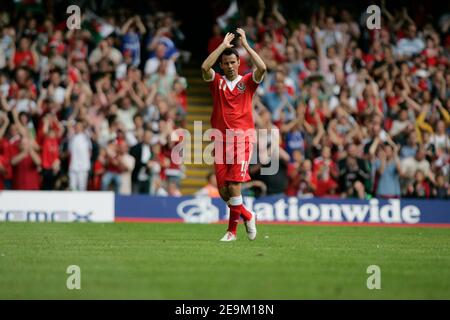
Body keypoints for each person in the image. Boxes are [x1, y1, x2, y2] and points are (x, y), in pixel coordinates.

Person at [201, 29, 266, 241]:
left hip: (242, 140)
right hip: (220, 141)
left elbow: (263, 67)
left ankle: (232, 232)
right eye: (226, 63)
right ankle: (248, 215)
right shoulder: (217, 82)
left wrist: (245, 45)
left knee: (234, 186)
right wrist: (222, 46)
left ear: (239, 63)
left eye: (233, 62)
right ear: (222, 64)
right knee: (223, 191)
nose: (229, 66)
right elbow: (204, 67)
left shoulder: (247, 82)